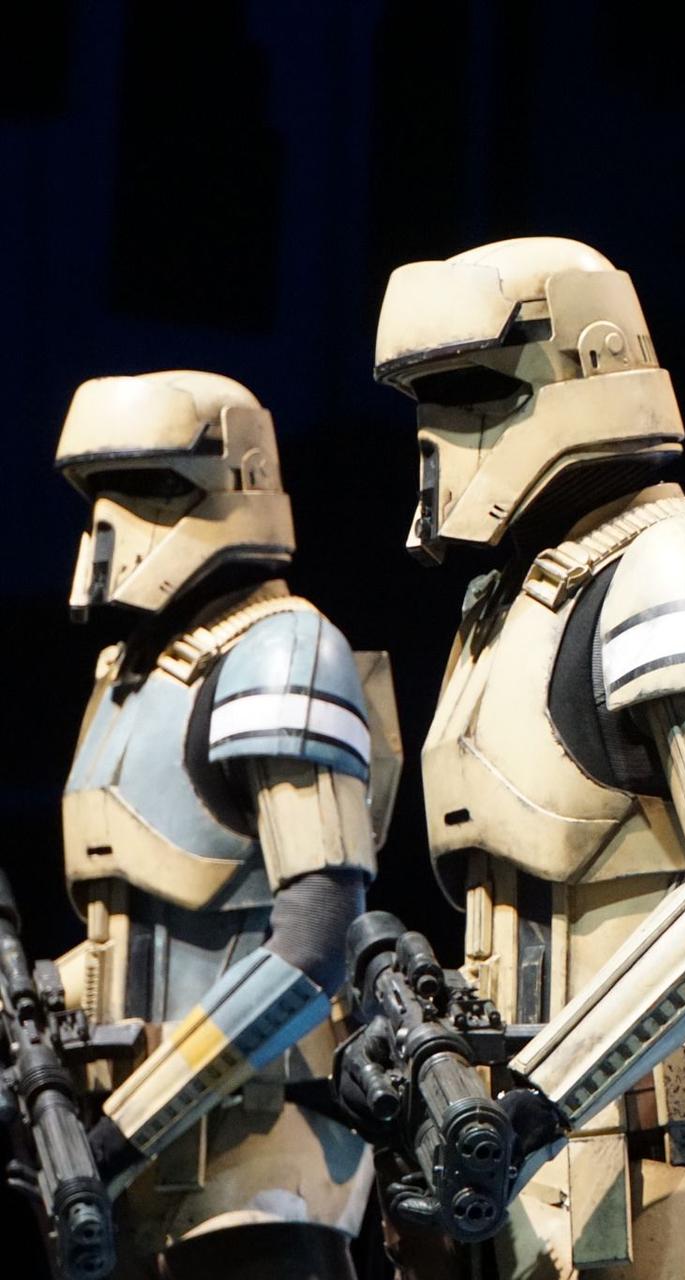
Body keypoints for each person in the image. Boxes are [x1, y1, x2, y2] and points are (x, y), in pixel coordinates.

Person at [366, 237, 685, 1278]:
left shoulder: (680, 559)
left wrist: (543, 1094)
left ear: (584, 363)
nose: (443, 428)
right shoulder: (505, 607)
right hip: (515, 1176)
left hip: (662, 1167)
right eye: (430, 397)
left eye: (471, 387)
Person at [55, 370, 396, 1278]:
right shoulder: (130, 677)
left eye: (145, 485)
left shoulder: (282, 648)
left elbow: (317, 938)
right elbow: (128, 945)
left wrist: (123, 1132)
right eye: (100, 490)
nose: (113, 521)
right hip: (130, 1183)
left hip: (262, 1173)